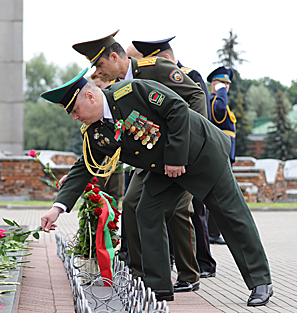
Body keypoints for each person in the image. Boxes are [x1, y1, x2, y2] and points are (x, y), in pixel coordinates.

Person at [39, 69, 273, 306]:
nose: (75, 118)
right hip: (165, 170)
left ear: (90, 97)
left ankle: (260, 282)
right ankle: (158, 287)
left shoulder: (133, 91)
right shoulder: (96, 132)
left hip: (201, 153)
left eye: (75, 111)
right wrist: (57, 208)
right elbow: (83, 167)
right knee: (147, 211)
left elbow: (178, 109)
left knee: (231, 216)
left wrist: (175, 157)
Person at [73, 31, 206, 292]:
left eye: (100, 65)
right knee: (133, 203)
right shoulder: (116, 88)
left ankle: (189, 275)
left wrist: (189, 147)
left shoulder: (154, 69)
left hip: (180, 154)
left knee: (179, 211)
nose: (100, 73)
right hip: (151, 158)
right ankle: (138, 272)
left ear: (113, 57)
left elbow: (195, 97)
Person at [131, 37, 218, 279]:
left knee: (189, 211)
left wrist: (191, 146)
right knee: (148, 208)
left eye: (139, 61)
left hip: (186, 155)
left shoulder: (187, 74)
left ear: (163, 59)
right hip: (159, 156)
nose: (136, 67)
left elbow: (198, 106)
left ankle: (202, 264)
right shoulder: (140, 79)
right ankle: (160, 266)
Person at [207, 66, 236, 246]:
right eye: (221, 83)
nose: (225, 86)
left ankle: (213, 231)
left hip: (226, 153)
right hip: (220, 152)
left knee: (221, 194)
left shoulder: (220, 100)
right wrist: (221, 93)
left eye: (227, 83)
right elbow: (218, 113)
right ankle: (212, 232)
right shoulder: (214, 101)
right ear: (214, 84)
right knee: (219, 195)